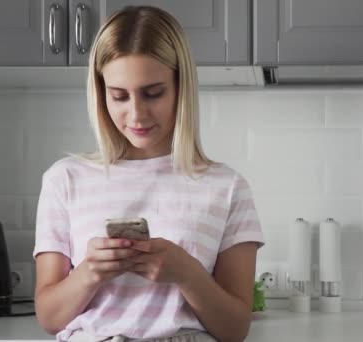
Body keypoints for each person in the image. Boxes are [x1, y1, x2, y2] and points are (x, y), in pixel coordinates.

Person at [32, 6, 264, 342]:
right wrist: (89, 273)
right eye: (119, 96)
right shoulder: (65, 180)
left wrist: (187, 274)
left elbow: (235, 329)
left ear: (180, 87)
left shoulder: (228, 188)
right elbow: (50, 317)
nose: (136, 114)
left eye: (153, 93)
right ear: (100, 94)